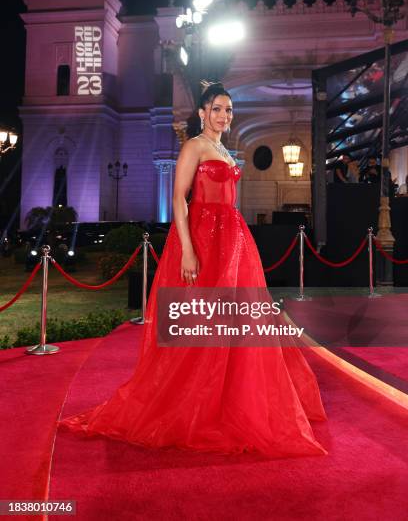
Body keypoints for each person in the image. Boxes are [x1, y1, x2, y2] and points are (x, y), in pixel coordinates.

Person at [59, 82, 327, 458]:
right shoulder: (195, 146)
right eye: (217, 108)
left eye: (229, 110)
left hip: (233, 241)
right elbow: (178, 199)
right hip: (203, 239)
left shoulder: (223, 149)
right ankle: (192, 401)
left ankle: (229, 399)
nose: (224, 115)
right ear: (202, 112)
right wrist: (187, 249)